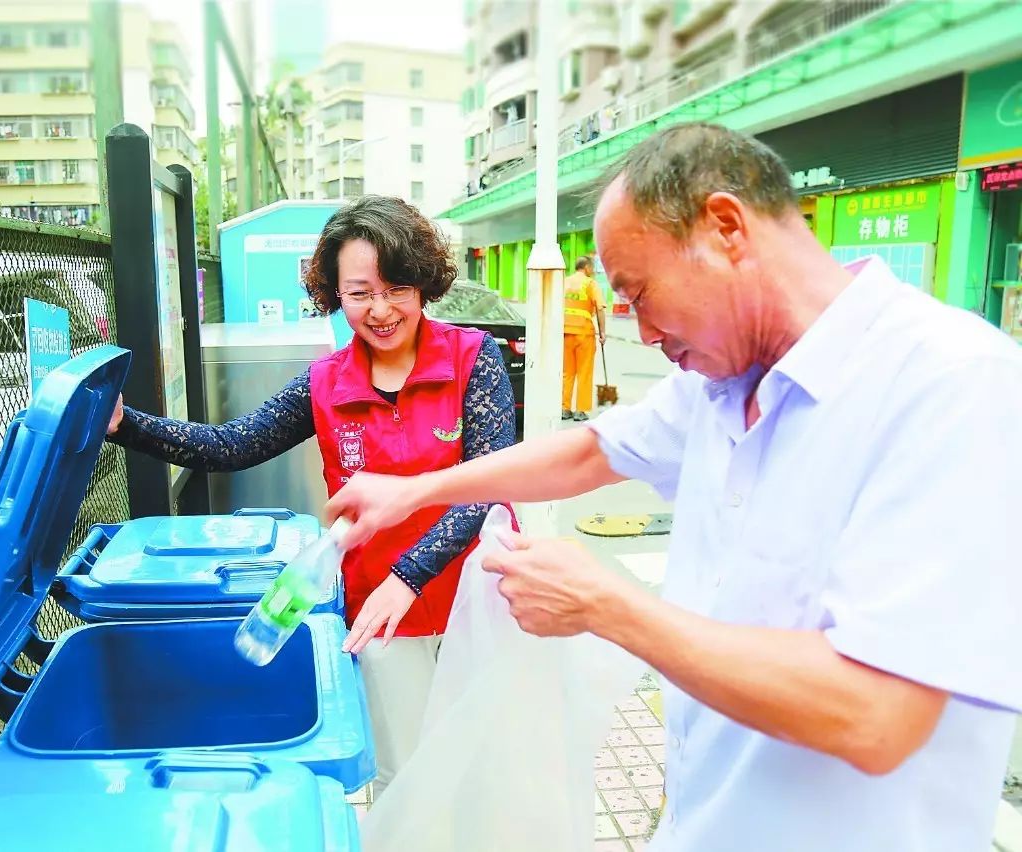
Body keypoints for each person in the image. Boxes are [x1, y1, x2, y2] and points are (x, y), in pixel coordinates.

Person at [325, 123, 1022, 851]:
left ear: (726, 229)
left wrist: (605, 606)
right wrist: (411, 492)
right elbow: (590, 451)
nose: (645, 333)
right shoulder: (723, 381)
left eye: (638, 292)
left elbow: (877, 715)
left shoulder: (951, 385)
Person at [106, 195, 517, 797]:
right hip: (381, 620)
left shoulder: (473, 358)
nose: (381, 310)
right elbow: (231, 445)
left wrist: (409, 576)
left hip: (477, 601)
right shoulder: (326, 383)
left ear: (424, 282)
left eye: (397, 289)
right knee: (403, 778)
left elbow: (489, 485)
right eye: (360, 293)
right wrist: (126, 424)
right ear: (334, 294)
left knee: (482, 771)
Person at [561, 255, 607, 421]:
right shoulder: (590, 284)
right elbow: (600, 308)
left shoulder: (564, 282)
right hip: (584, 333)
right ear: (587, 267)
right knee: (584, 373)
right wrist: (602, 332)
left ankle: (565, 408)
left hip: (565, 332)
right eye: (592, 268)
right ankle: (580, 410)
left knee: (567, 373)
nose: (593, 271)